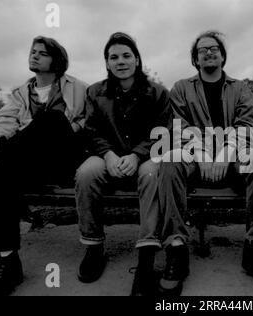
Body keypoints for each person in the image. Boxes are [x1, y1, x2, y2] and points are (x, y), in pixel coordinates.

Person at [157, 31, 253, 296]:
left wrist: (225, 153)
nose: (209, 52)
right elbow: (178, 126)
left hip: (232, 156)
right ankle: (176, 248)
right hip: (193, 157)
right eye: (202, 50)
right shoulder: (181, 87)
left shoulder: (240, 88)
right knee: (168, 160)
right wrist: (201, 154)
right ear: (195, 59)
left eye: (214, 48)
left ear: (223, 56)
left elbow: (248, 125)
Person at [0, 36, 87, 296]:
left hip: (65, 160)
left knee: (52, 118)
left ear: (56, 60)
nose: (34, 56)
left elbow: (89, 119)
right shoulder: (21, 93)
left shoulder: (78, 87)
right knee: (2, 174)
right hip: (31, 164)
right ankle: (8, 261)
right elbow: (5, 119)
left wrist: (72, 127)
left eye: (42, 53)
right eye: (32, 52)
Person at [74, 32, 170, 296]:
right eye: (113, 57)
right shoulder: (96, 92)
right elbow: (91, 130)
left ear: (137, 60)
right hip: (108, 156)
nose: (120, 61)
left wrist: (137, 155)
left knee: (152, 174)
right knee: (86, 173)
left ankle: (146, 260)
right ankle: (94, 247)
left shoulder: (158, 93)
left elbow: (163, 131)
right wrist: (108, 155)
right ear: (107, 63)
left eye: (126, 55)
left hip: (144, 157)